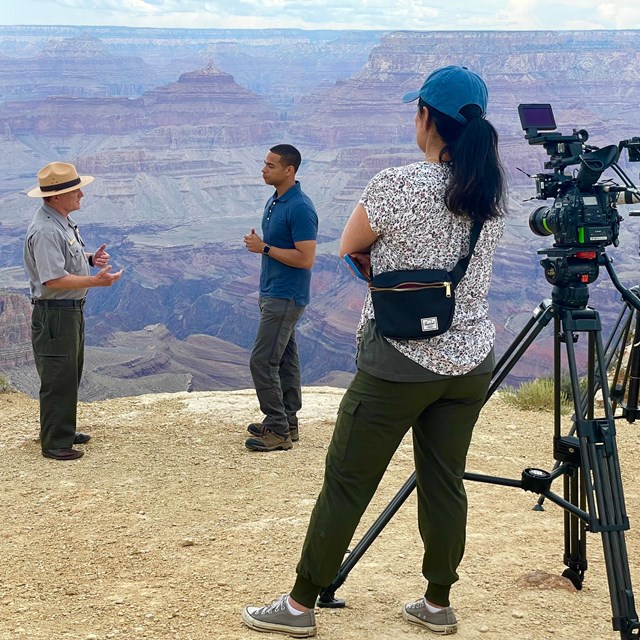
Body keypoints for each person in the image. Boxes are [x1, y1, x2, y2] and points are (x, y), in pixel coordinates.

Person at [242, 65, 506, 636]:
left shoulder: (396, 184)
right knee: (444, 480)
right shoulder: (490, 192)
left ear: (427, 118)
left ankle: (300, 604)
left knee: (347, 480)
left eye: (417, 111)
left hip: (398, 360)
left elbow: (349, 246)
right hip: (469, 363)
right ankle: (438, 604)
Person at [24, 162, 123, 461]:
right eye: (73, 190)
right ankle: (55, 442)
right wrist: (94, 281)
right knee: (58, 376)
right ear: (55, 197)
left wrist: (91, 258)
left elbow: (65, 260)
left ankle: (61, 429)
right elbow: (52, 279)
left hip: (68, 311)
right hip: (55, 314)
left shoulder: (60, 221)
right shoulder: (44, 229)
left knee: (69, 374)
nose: (81, 194)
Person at [242, 144, 318, 452]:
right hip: (273, 291)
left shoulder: (300, 207)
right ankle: (288, 421)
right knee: (285, 359)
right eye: (264, 163)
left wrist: (264, 248)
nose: (263, 169)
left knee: (262, 360)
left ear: (289, 170)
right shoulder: (276, 200)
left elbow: (306, 258)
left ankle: (277, 430)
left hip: (286, 295)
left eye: (271, 165)